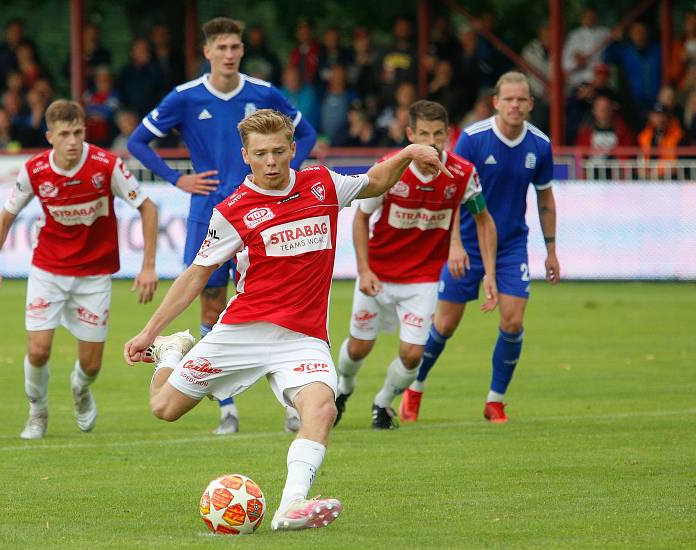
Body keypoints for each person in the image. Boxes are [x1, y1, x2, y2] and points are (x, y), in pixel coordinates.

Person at [123, 108, 449, 531]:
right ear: (246, 156)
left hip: (303, 337)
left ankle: (291, 506)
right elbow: (197, 274)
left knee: (321, 408)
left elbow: (378, 181)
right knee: (164, 408)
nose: (272, 162)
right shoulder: (233, 210)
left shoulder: (324, 184)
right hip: (242, 330)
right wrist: (150, 332)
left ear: (294, 149)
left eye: (279, 151)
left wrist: (408, 152)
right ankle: (172, 349)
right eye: (261, 154)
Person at [127, 17, 317, 435]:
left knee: (277, 304)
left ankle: (292, 399)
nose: (229, 55)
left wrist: (288, 174)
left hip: (268, 213)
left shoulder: (264, 93)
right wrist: (178, 178)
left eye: (235, 47)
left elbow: (307, 134)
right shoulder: (186, 96)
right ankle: (225, 406)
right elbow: (137, 141)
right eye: (222, 48)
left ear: (242, 51)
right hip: (211, 213)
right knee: (211, 303)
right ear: (208, 53)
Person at [0, 100, 159, 439]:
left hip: (94, 276)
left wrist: (148, 267)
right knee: (38, 350)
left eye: (78, 132)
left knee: (91, 365)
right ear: (50, 136)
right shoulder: (35, 170)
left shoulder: (106, 165)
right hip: (48, 269)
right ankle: (37, 412)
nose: (73, 140)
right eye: (64, 134)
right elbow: (4, 218)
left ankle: (80, 390)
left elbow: (148, 208)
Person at [400, 72, 560, 423]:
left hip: (511, 245)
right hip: (467, 243)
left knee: (513, 320)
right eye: (509, 99)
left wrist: (550, 249)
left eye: (522, 100)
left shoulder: (540, 145)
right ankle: (415, 388)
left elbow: (545, 197)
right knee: (444, 325)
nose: (515, 105)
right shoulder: (474, 139)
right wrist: (454, 242)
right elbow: (450, 189)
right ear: (496, 102)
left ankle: (495, 400)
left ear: (530, 104)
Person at [334, 100, 498, 429]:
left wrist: (490, 274)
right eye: (424, 134)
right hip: (378, 274)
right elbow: (361, 219)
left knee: (412, 354)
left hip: (422, 279)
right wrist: (364, 269)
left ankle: (382, 403)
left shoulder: (463, 174)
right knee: (359, 347)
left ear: (448, 135)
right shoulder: (390, 169)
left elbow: (483, 220)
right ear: (410, 135)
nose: (432, 142)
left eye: (438, 134)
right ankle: (343, 388)